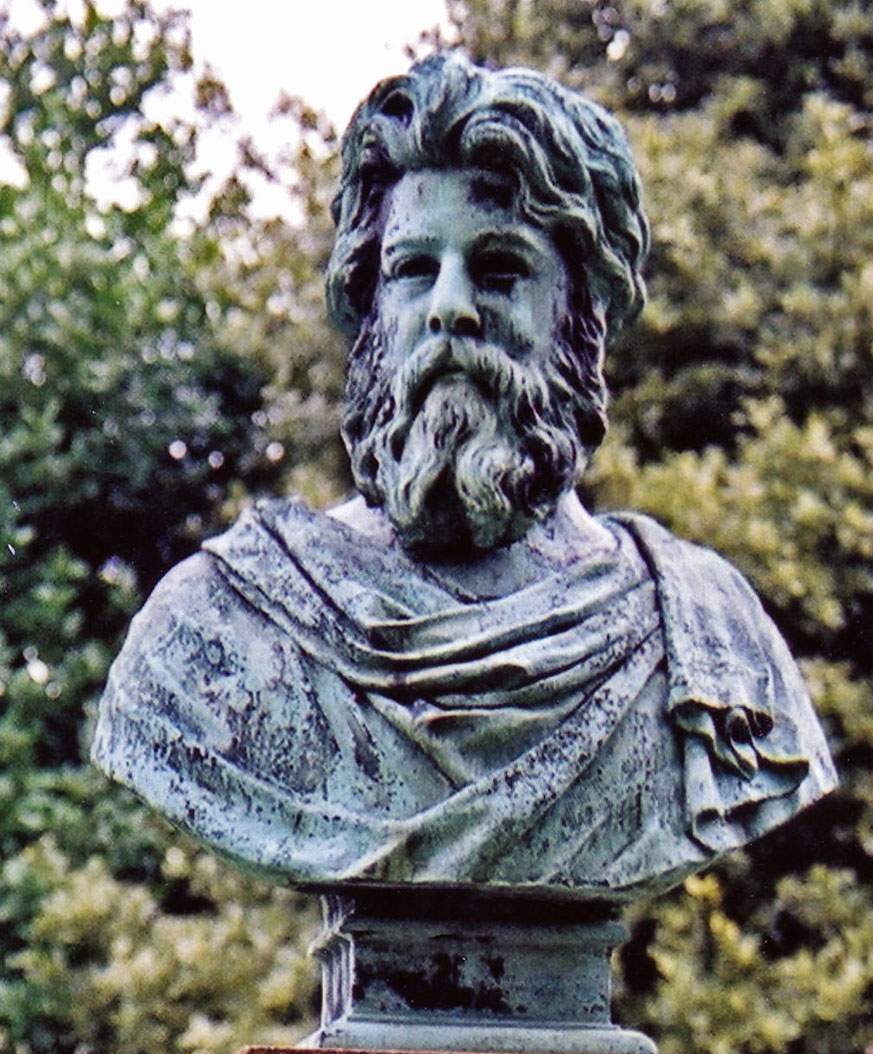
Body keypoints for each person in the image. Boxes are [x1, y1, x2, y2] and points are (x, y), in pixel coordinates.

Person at [93, 53, 835, 905]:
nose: (452, 307)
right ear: (369, 306)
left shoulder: (707, 647)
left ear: (580, 314)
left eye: (500, 268)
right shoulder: (215, 634)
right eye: (414, 270)